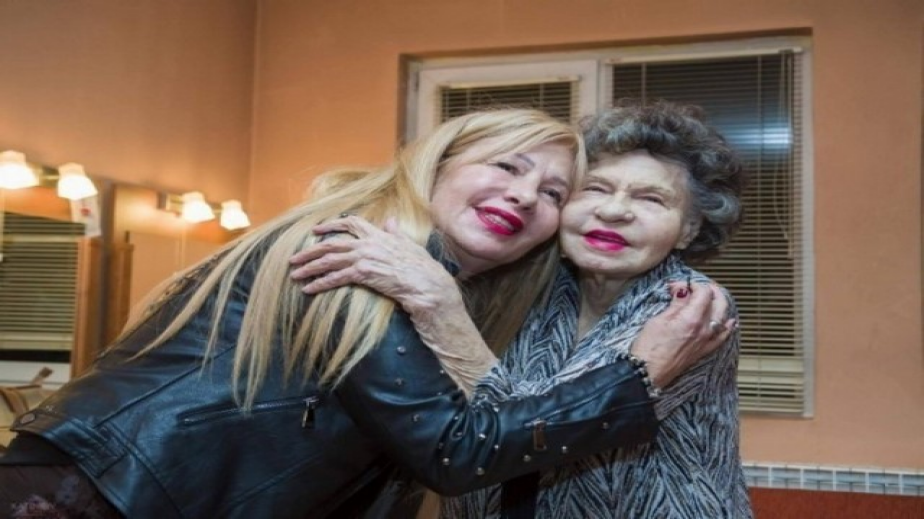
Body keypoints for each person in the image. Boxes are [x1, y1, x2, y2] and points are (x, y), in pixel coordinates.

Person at [0, 108, 728, 519]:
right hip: (91, 499)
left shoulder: (454, 286)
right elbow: (457, 450)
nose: (523, 195)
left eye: (551, 193)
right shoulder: (360, 249)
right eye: (506, 166)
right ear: (438, 164)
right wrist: (637, 377)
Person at [289, 100, 751, 518]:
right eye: (594, 189)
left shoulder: (689, 307)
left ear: (689, 229)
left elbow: (535, 429)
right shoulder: (529, 285)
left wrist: (443, 308)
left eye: (651, 198)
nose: (614, 211)